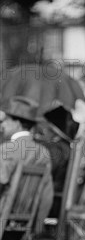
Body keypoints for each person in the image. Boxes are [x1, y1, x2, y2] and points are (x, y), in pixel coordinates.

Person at [0, 96, 54, 230]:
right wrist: (37, 226)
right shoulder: (43, 153)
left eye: (5, 121)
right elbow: (47, 194)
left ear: (16, 123)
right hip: (24, 219)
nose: (2, 125)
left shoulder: (6, 149)